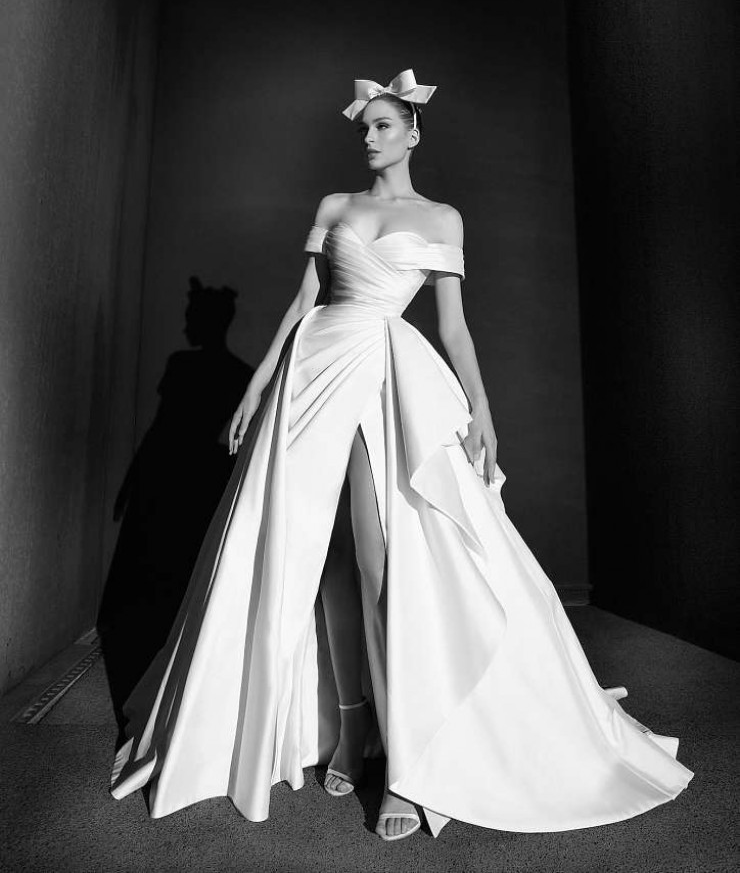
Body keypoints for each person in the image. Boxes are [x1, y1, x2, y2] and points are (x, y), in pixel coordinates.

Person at [110, 69, 693, 842]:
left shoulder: (443, 218)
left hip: (381, 376)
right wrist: (256, 386)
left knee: (377, 560)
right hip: (313, 371)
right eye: (365, 127)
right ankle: (353, 726)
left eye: (384, 125)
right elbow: (304, 302)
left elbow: (453, 328)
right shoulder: (335, 206)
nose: (370, 138)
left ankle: (404, 758)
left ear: (413, 132)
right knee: (321, 556)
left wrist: (483, 411)